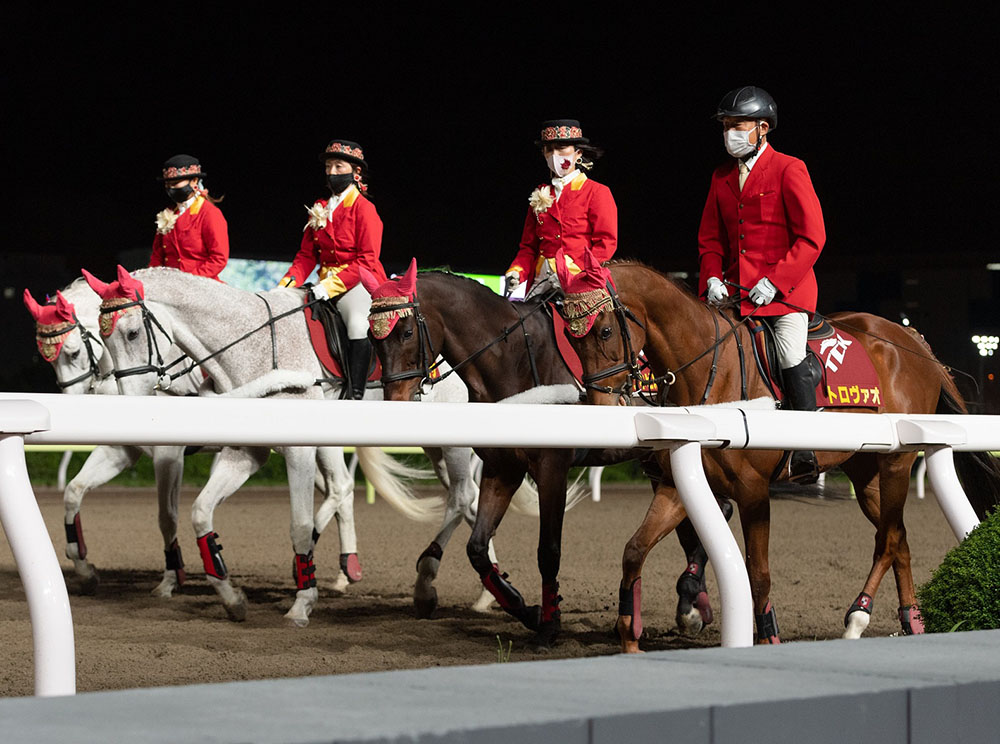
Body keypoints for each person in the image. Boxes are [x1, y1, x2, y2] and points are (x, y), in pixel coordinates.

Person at [696, 86, 826, 482]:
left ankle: (805, 450)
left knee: (788, 355)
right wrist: (712, 277)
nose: (729, 133)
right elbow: (710, 240)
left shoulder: (790, 168)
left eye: (737, 126)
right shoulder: (720, 176)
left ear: (762, 128)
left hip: (785, 296)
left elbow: (812, 237)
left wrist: (776, 281)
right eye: (725, 126)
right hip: (735, 295)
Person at [277, 139, 387, 399]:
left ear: (355, 172)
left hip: (358, 282)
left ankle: (355, 393)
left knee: (357, 325)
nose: (332, 173)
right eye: (328, 167)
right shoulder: (320, 208)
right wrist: (285, 286)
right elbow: (306, 256)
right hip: (322, 284)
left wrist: (329, 285)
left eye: (339, 166)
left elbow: (367, 260)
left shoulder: (365, 210)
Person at [505, 119, 617, 299]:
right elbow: (529, 247)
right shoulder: (540, 194)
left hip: (580, 279)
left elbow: (606, 243)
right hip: (541, 282)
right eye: (549, 150)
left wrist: (579, 269)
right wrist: (518, 271)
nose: (555, 155)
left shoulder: (597, 192)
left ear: (578, 153)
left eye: (561, 148)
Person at [150, 154, 229, 280]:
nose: (171, 188)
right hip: (167, 284)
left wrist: (188, 281)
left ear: (194, 181)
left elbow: (218, 259)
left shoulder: (209, 214)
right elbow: (157, 255)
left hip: (199, 284)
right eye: (168, 184)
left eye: (175, 183)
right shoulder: (169, 213)